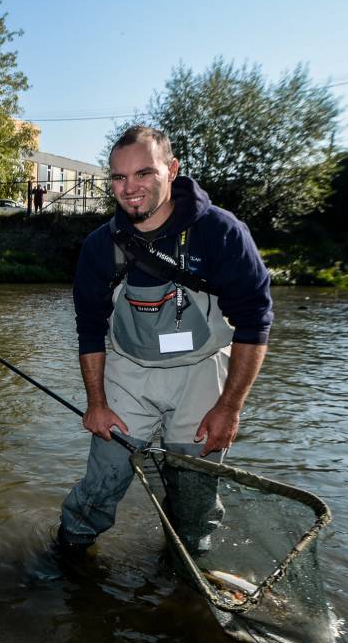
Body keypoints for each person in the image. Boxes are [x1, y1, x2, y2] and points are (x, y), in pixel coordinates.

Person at [57, 125, 272, 556]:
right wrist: (96, 404)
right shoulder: (102, 246)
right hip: (128, 371)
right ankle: (68, 554)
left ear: (171, 171)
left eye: (144, 173)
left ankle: (186, 565)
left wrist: (229, 409)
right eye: (118, 177)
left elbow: (255, 323)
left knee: (194, 499)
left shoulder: (222, 232)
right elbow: (90, 328)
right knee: (102, 482)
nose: (130, 187)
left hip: (202, 372)